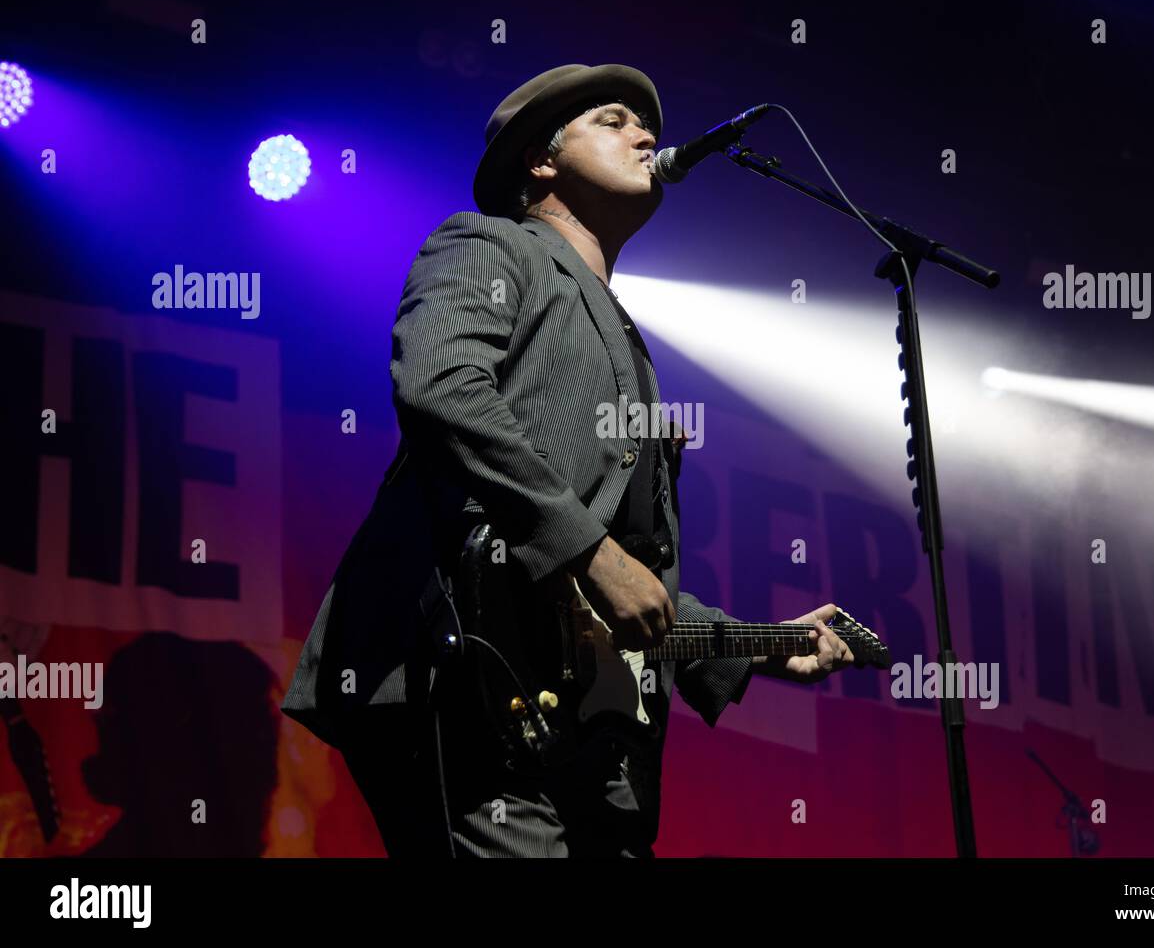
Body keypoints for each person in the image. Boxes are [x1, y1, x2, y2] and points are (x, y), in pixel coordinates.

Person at [282, 64, 854, 857]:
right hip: (474, 681)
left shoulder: (628, 341)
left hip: (580, 725)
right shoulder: (488, 244)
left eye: (643, 123)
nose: (646, 135)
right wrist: (591, 551)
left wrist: (750, 641)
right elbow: (441, 388)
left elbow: (609, 590)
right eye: (613, 120)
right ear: (540, 162)